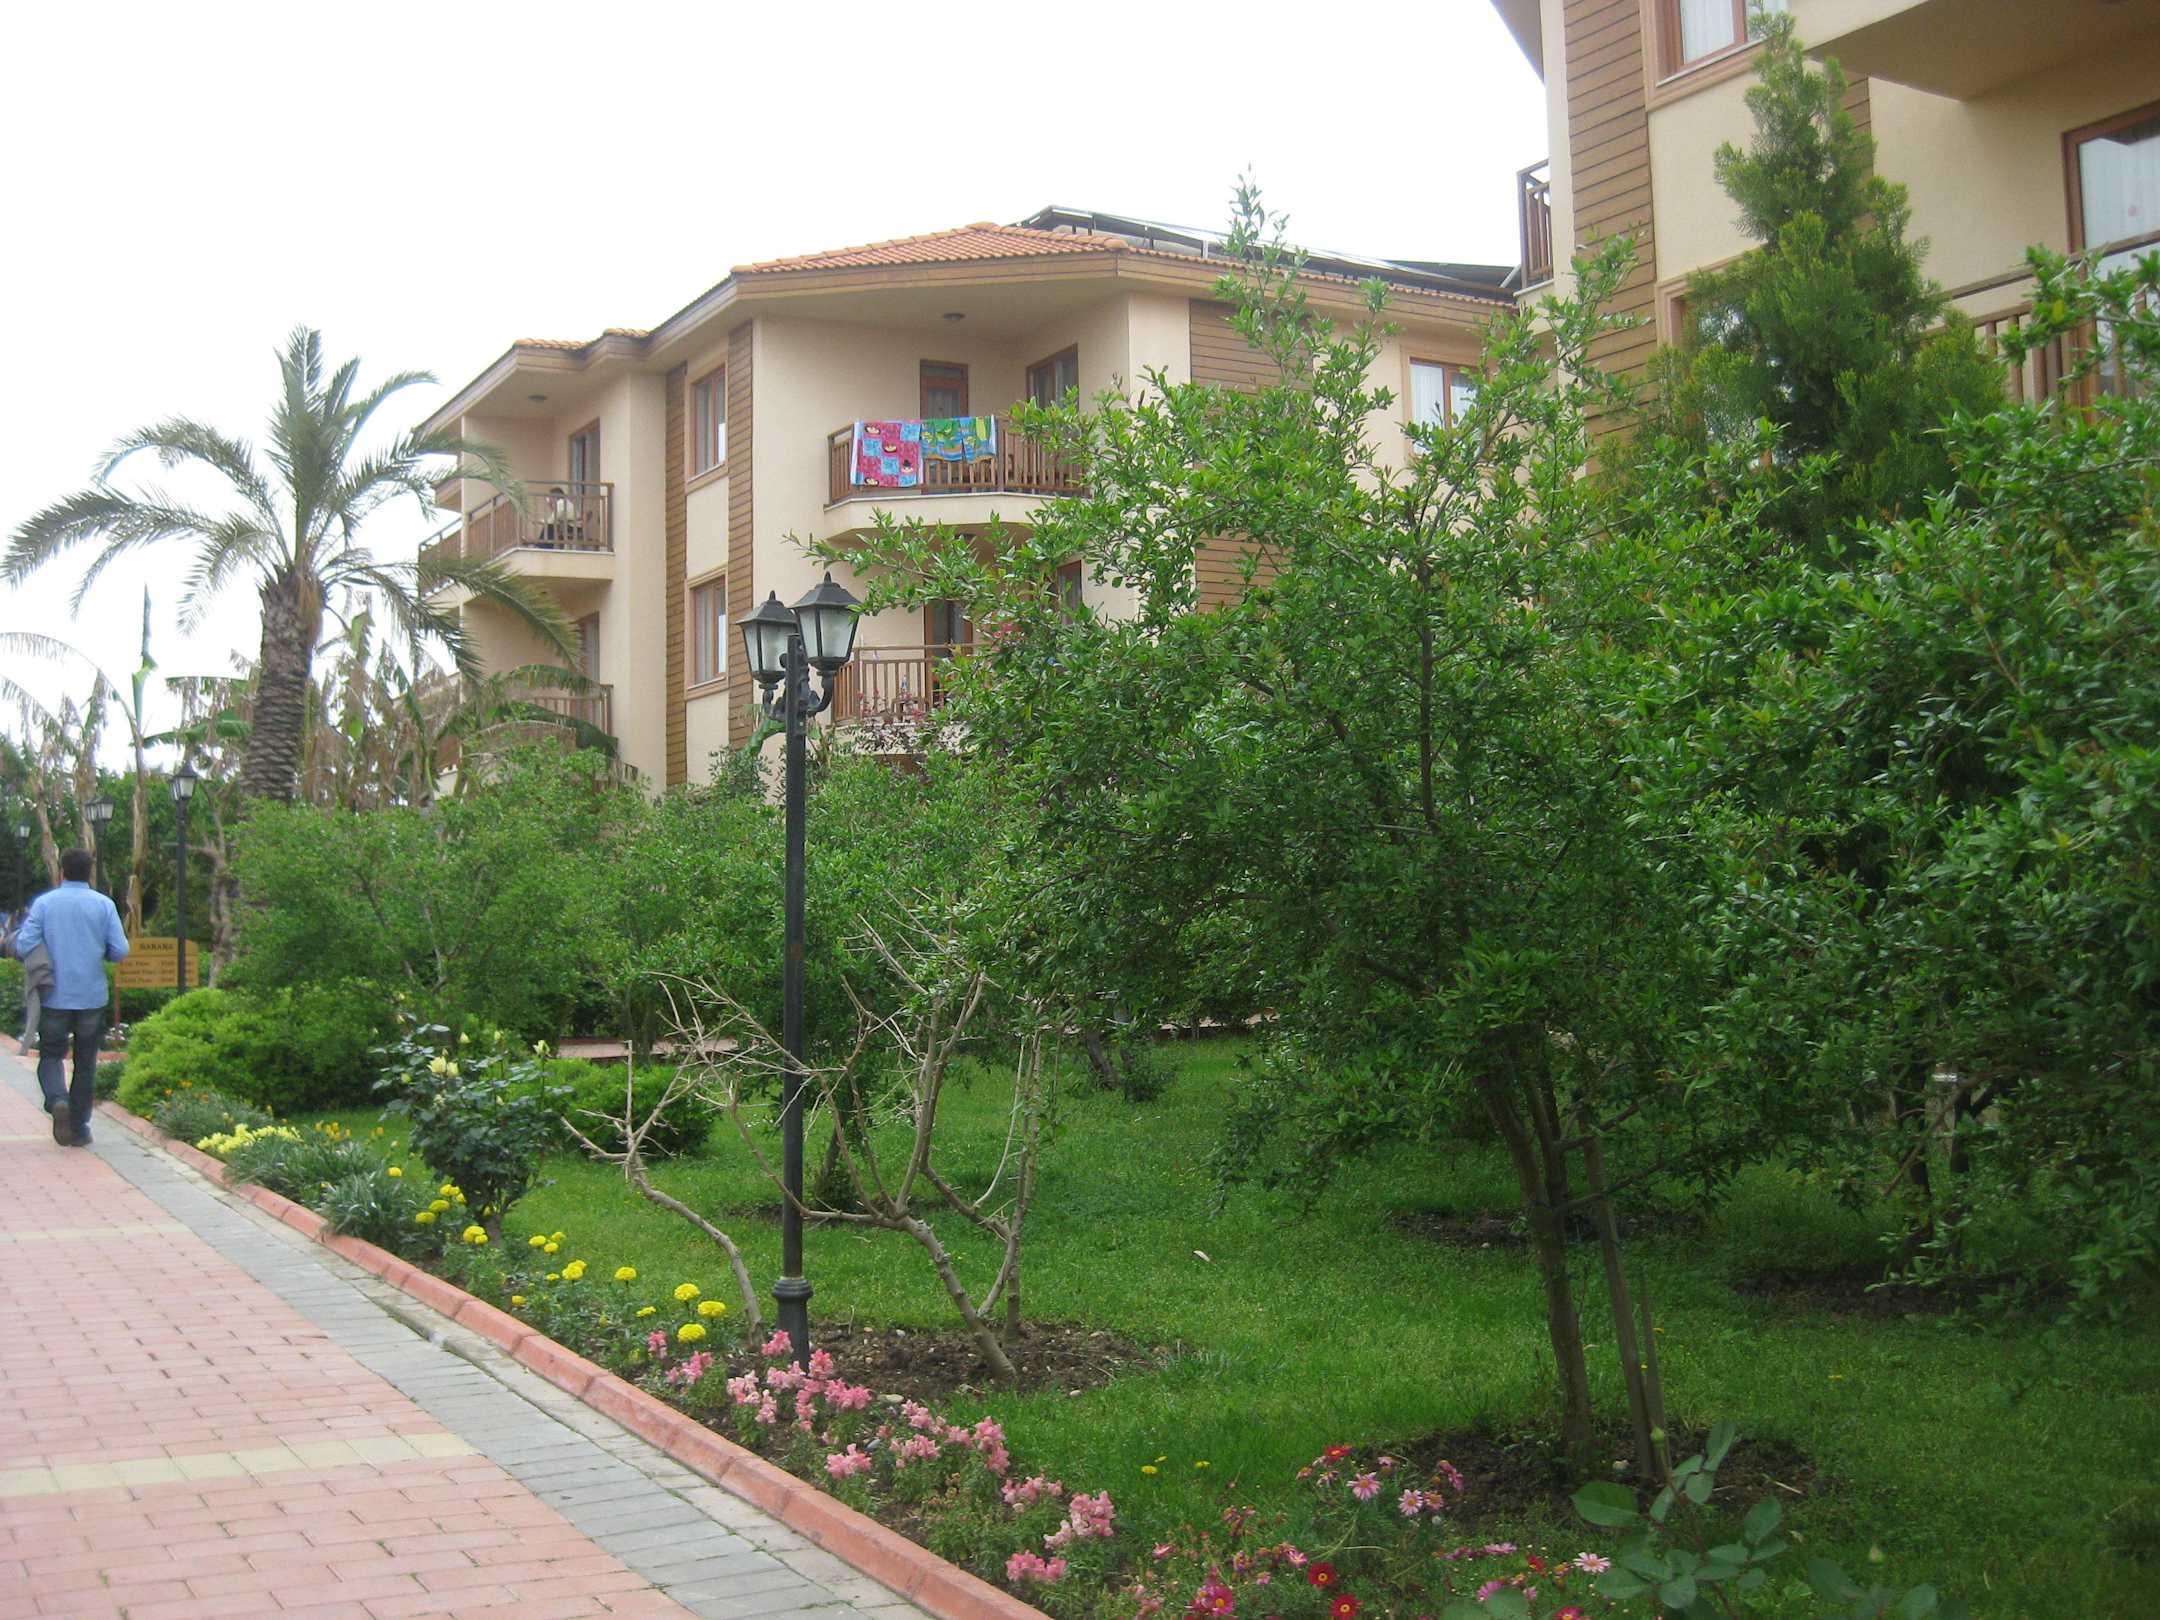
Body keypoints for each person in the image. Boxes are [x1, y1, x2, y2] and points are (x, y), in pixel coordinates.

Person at [11, 851, 127, 1147]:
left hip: (54, 996)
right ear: (90, 872)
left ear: (62, 871)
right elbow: (120, 950)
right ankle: (79, 1128)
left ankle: (57, 1100)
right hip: (91, 996)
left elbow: (24, 944)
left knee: (51, 1055)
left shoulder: (45, 904)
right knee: (86, 1062)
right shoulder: (104, 904)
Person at [5, 896, 53, 1056]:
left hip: (38, 967)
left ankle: (27, 1044)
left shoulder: (42, 905)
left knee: (34, 1008)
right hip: (58, 971)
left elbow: (23, 944)